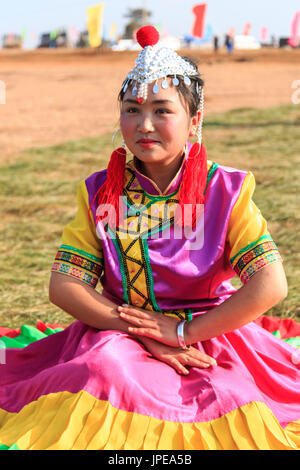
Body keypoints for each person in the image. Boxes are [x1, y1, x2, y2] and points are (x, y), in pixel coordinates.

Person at [0, 25, 299, 451]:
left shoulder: (227, 191)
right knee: (106, 373)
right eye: (131, 110)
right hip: (117, 331)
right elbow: (64, 285)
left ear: (194, 120)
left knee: (230, 397)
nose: (144, 125)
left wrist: (182, 334)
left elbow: (271, 285)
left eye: (162, 111)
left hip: (209, 332)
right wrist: (147, 333)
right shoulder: (100, 190)